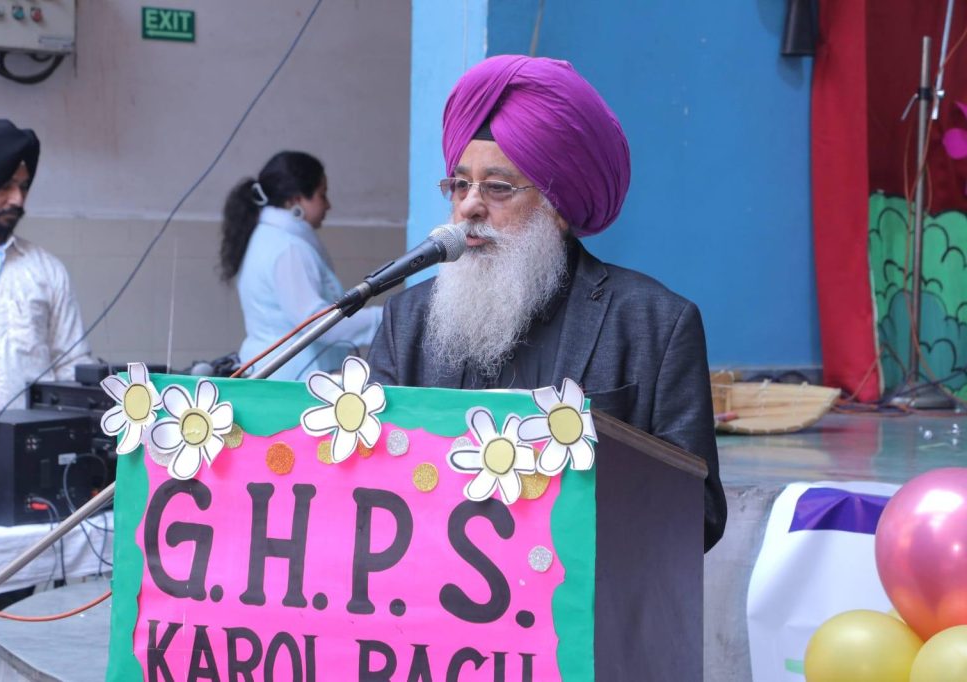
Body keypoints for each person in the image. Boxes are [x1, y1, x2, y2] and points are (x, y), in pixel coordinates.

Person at [367, 55, 726, 551]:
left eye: (497, 188)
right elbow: (364, 479)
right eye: (460, 184)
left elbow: (698, 514)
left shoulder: (654, 324)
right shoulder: (406, 320)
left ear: (557, 207)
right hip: (429, 590)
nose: (469, 205)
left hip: (584, 593)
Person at [0, 119, 91, 415]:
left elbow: (71, 364)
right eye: (5, 186)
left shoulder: (46, 270)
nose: (18, 199)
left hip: (29, 438)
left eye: (23, 186)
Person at [220, 151, 383, 381]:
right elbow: (316, 322)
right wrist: (386, 318)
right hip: (291, 379)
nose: (328, 205)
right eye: (322, 195)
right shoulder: (288, 248)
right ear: (296, 200)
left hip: (271, 373)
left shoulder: (265, 237)